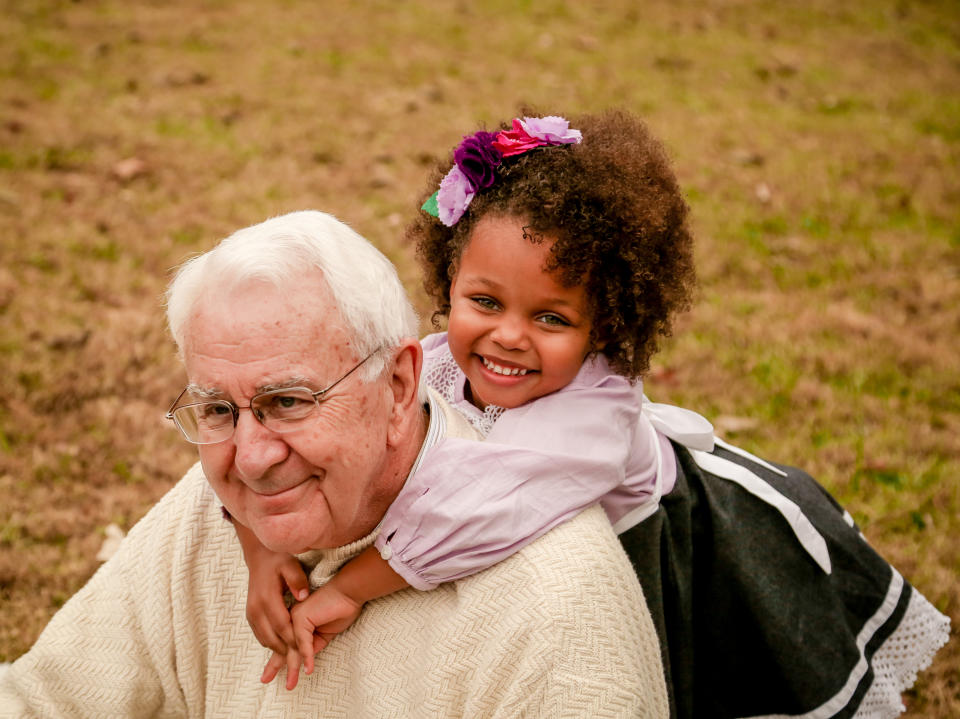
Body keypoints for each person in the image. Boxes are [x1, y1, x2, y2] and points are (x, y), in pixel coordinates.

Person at [239, 113, 951, 719]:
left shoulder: (592, 419)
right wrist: (263, 544)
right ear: (448, 280)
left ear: (605, 325)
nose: (508, 335)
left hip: (683, 551)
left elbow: (477, 505)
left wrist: (346, 588)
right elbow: (314, 426)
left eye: (551, 317)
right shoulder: (437, 363)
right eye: (484, 302)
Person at [0, 210, 669, 718]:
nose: (253, 459)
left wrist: (349, 586)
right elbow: (43, 698)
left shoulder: (553, 623)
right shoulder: (221, 497)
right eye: (216, 409)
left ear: (400, 387)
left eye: (288, 401)